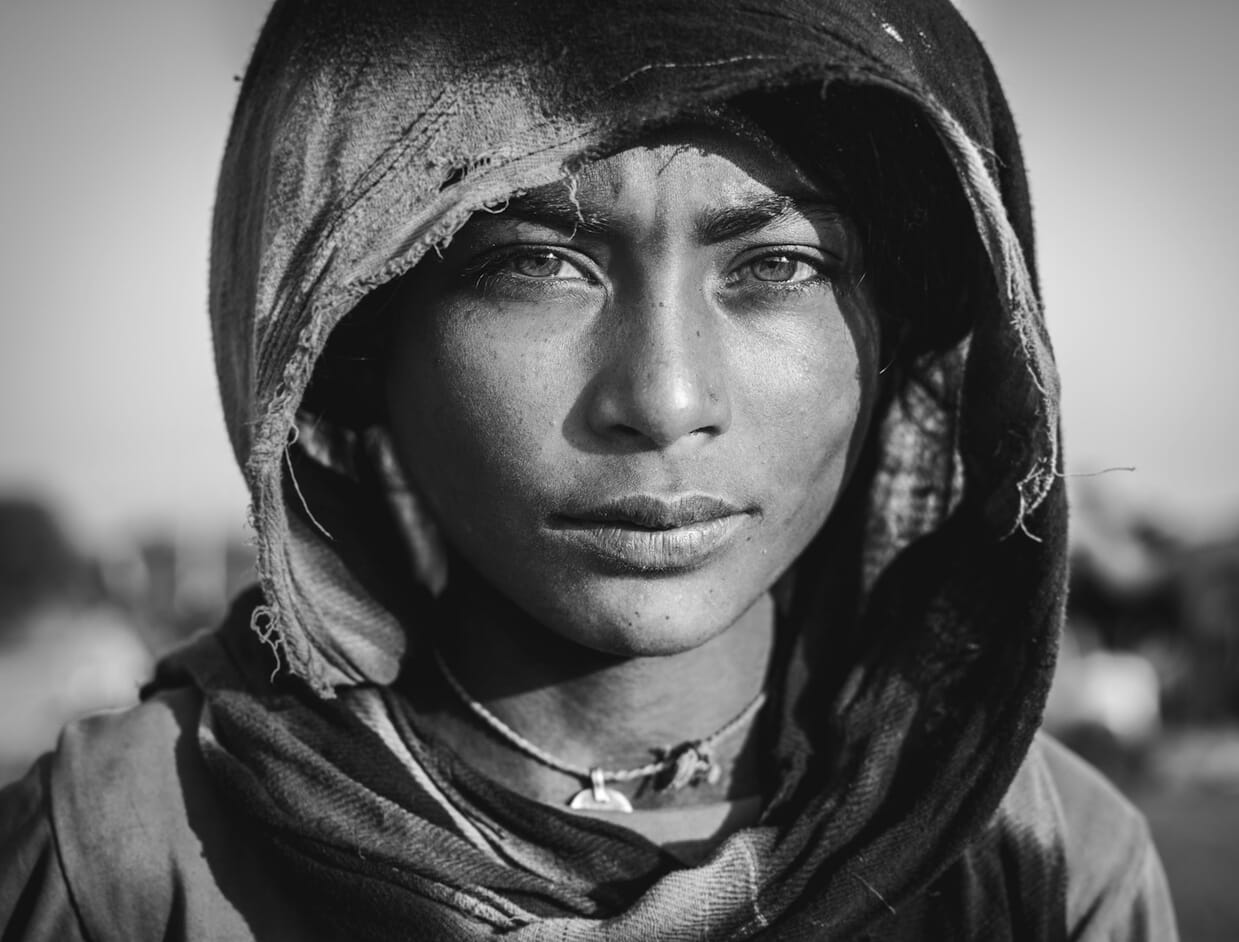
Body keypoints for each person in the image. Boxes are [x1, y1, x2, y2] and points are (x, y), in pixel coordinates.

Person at [0, 1, 1178, 938]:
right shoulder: (125, 854)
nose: (663, 400)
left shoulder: (1040, 860)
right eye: (536, 264)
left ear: (896, 334)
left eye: (776, 265)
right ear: (347, 340)